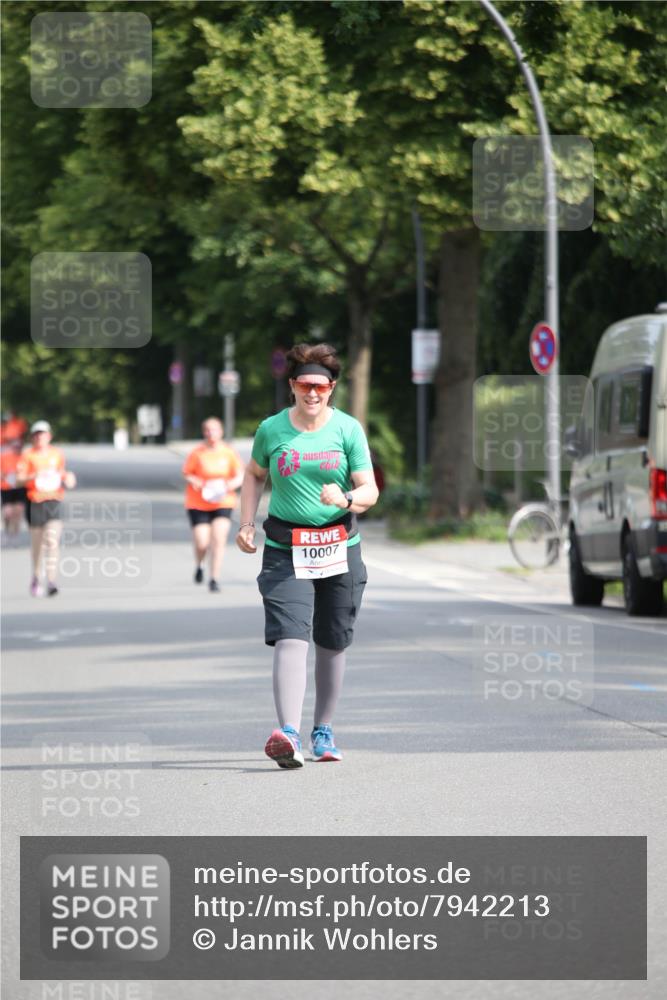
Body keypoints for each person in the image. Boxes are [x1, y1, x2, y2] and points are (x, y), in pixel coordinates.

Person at [236, 343, 379, 769]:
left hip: (339, 546)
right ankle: (289, 735)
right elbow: (254, 474)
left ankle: (323, 729)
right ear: (292, 386)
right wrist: (246, 523)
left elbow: (370, 490)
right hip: (285, 548)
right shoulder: (272, 429)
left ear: (331, 388)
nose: (312, 393)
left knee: (333, 640)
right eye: (303, 384)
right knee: (290, 634)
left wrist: (348, 496)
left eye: (320, 385)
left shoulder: (348, 430)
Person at [182, 417, 244, 592]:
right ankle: (200, 563)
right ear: (204, 433)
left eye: (214, 430)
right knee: (202, 542)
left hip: (223, 501)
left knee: (218, 539)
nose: (211, 434)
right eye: (207, 430)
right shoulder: (197, 453)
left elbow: (240, 474)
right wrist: (195, 480)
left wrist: (231, 484)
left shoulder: (228, 452)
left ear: (221, 431)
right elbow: (187, 473)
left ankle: (214, 578)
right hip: (198, 502)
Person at [16, 420, 76, 596]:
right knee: (38, 544)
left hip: (53, 500)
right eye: (36, 434)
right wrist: (34, 475)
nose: (40, 437)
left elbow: (62, 473)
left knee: (52, 540)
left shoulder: (57, 454)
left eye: (43, 434)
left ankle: (51, 580)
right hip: (35, 502)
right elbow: (19, 479)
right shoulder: (28, 456)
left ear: (49, 436)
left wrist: (69, 478)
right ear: (33, 437)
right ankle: (36, 576)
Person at [1, 436, 27, 541]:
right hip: (6, 487)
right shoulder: (4, 457)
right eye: (15, 446)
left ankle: (16, 532)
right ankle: (7, 528)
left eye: (19, 446)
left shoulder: (25, 458)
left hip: (20, 487)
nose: (17, 448)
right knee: (8, 512)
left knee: (18, 510)